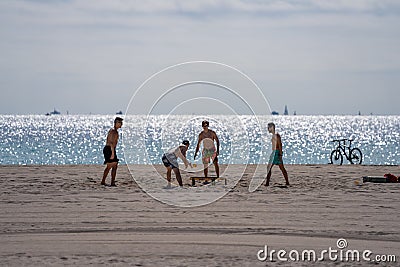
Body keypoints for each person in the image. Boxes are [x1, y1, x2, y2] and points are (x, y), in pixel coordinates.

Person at [265, 122, 290, 186]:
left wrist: (280, 154)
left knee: (280, 168)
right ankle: (267, 182)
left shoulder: (277, 135)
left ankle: (287, 182)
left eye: (269, 127)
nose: (268, 129)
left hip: (276, 153)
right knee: (271, 167)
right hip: (274, 153)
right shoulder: (274, 135)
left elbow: (280, 145)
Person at [101, 117, 123, 186]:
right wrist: (112, 153)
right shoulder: (113, 131)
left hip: (111, 149)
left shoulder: (114, 131)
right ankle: (106, 181)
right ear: (116, 123)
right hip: (109, 149)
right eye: (119, 122)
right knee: (111, 165)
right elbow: (110, 143)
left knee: (113, 166)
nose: (121, 124)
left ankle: (109, 182)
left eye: (121, 122)